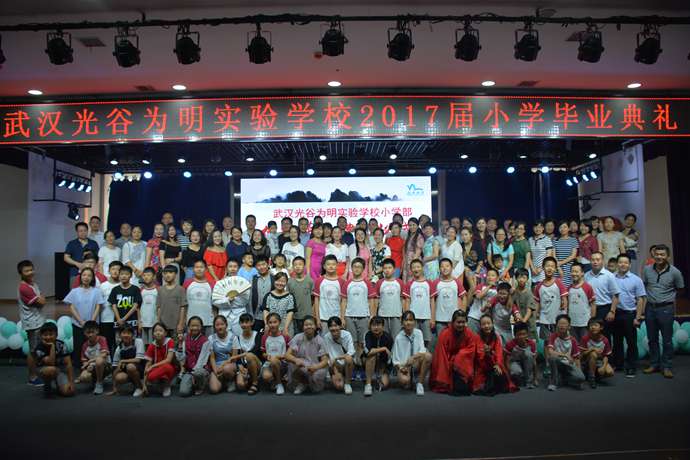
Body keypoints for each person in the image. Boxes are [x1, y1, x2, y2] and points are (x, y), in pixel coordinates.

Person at [642, 244, 685, 378]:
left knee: (667, 340)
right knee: (652, 339)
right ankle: (654, 364)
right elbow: (644, 286)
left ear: (668, 256)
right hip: (650, 308)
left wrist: (668, 299)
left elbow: (680, 289)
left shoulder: (675, 272)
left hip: (666, 308)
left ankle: (667, 366)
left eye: (662, 254)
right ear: (653, 255)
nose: (659, 257)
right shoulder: (647, 269)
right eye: (657, 254)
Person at [612, 253, 646, 377]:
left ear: (630, 265)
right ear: (617, 264)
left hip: (630, 314)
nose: (623, 265)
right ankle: (619, 364)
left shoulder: (636, 279)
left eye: (625, 262)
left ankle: (631, 366)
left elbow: (641, 299)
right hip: (616, 314)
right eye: (620, 262)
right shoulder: (612, 278)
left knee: (631, 342)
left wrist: (638, 317)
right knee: (617, 341)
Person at [429, 310, 478, 396]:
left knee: (461, 358)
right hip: (447, 361)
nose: (461, 325)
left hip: (461, 362)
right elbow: (441, 355)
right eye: (458, 322)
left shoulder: (469, 333)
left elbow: (471, 349)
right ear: (453, 322)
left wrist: (459, 357)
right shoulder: (445, 334)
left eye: (463, 322)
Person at [64, 267, 105, 366]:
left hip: (93, 325)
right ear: (80, 277)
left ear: (92, 278)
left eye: (89, 275)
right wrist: (81, 321)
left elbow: (98, 306)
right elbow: (71, 307)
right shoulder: (74, 291)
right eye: (84, 275)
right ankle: (78, 366)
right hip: (78, 324)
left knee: (92, 346)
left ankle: (92, 365)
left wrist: (91, 322)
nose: (86, 277)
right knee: (78, 346)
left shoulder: (97, 291)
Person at [17, 259, 46, 385]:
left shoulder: (33, 284)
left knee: (37, 349)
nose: (30, 272)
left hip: (38, 320)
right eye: (26, 271)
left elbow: (42, 297)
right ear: (21, 273)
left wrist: (41, 298)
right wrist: (41, 298)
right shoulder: (24, 287)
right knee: (33, 351)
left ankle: (38, 373)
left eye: (31, 269)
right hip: (33, 323)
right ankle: (32, 378)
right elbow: (42, 302)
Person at [343, 257, 375, 367]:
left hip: (364, 316)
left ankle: (361, 365)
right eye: (355, 267)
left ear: (363, 269)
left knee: (362, 342)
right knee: (353, 342)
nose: (357, 269)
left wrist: (372, 316)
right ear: (351, 268)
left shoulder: (367, 283)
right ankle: (354, 364)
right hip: (349, 316)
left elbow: (371, 300)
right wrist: (342, 317)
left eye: (359, 267)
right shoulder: (347, 283)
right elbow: (343, 301)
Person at [285, 315, 329, 395]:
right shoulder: (298, 337)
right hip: (301, 364)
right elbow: (287, 355)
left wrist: (316, 367)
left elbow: (325, 361)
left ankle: (309, 384)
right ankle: (302, 383)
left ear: (315, 326)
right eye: (306, 325)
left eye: (311, 324)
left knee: (316, 377)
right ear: (303, 327)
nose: (309, 326)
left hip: (314, 365)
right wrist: (295, 360)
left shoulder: (320, 340)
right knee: (294, 365)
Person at [584, 252, 620, 348]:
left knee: (605, 336)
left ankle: (607, 356)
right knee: (591, 335)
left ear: (602, 261)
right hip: (590, 309)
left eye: (598, 259)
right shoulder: (586, 275)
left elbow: (616, 295)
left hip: (605, 309)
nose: (595, 262)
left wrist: (612, 311)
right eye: (593, 260)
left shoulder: (609, 275)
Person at [473, 314, 516, 395]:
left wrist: (497, 364)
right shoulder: (477, 338)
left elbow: (499, 354)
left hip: (494, 365)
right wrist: (488, 354)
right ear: (480, 326)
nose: (486, 326)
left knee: (502, 379)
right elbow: (479, 357)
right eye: (484, 324)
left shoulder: (496, 337)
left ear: (492, 324)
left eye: (488, 323)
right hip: (482, 367)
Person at [391, 311, 431, 396]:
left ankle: (420, 383)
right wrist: (401, 368)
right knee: (404, 381)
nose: (408, 323)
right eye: (406, 320)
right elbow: (395, 360)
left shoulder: (418, 333)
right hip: (405, 366)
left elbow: (423, 350)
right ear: (402, 323)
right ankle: (409, 380)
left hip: (416, 363)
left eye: (411, 320)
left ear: (415, 322)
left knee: (428, 356)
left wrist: (413, 357)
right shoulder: (398, 338)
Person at [33, 322, 75, 397]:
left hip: (60, 371)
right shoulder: (39, 347)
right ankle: (47, 385)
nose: (48, 337)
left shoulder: (61, 345)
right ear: (41, 335)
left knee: (69, 392)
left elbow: (68, 363)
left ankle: (59, 385)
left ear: (56, 335)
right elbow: (51, 362)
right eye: (45, 335)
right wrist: (52, 346)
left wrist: (71, 382)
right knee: (51, 370)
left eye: (51, 334)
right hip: (44, 370)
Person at [546, 314, 585, 391]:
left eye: (564, 324)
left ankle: (564, 378)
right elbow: (550, 352)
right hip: (558, 362)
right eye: (560, 323)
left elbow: (577, 358)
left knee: (581, 378)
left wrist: (579, 371)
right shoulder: (553, 336)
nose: (562, 326)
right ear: (556, 325)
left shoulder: (573, 340)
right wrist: (565, 355)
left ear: (569, 326)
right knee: (552, 358)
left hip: (568, 364)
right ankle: (553, 383)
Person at [403, 259, 436, 346]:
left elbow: (432, 301)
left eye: (418, 267)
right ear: (411, 270)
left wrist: (433, 318)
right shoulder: (409, 284)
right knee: (413, 340)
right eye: (413, 267)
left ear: (422, 268)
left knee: (426, 340)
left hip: (426, 317)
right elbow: (407, 301)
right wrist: (406, 318)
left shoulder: (429, 283)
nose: (416, 269)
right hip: (413, 318)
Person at [176, 316, 211, 397]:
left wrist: (194, 374)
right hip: (189, 370)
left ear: (201, 327)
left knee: (198, 373)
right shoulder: (185, 338)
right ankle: (192, 384)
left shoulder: (205, 341)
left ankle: (201, 385)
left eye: (197, 326)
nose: (194, 328)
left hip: (201, 370)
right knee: (183, 392)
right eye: (192, 326)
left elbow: (202, 361)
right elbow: (180, 358)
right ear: (188, 327)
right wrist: (180, 343)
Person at [534, 257, 568, 341]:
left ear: (555, 269)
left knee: (558, 341)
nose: (550, 268)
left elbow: (564, 300)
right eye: (547, 266)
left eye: (552, 266)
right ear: (543, 267)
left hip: (557, 321)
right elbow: (537, 303)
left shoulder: (559, 283)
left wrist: (564, 317)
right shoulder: (538, 286)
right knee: (546, 342)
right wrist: (534, 317)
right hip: (544, 320)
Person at [107, 324, 145, 397]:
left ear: (133, 335)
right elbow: (115, 369)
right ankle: (135, 383)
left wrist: (123, 361)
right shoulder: (119, 348)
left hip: (141, 369)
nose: (126, 335)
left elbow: (138, 360)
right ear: (120, 335)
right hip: (128, 371)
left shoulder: (138, 341)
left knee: (130, 366)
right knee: (119, 377)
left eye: (128, 333)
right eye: (124, 333)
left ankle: (139, 387)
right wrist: (114, 388)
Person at [323, 316, 355, 395]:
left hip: (346, 362)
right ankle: (339, 377)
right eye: (331, 326)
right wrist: (333, 369)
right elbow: (326, 354)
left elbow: (351, 351)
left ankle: (347, 383)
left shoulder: (347, 335)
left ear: (340, 326)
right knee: (339, 386)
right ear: (328, 328)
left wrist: (337, 358)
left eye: (336, 325)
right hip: (335, 365)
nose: (333, 328)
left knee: (349, 358)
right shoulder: (326, 337)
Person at [142, 322, 177, 397]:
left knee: (166, 366)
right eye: (155, 331)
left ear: (165, 333)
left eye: (160, 331)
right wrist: (144, 385)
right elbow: (147, 365)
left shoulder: (170, 341)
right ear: (153, 334)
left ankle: (167, 385)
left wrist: (152, 366)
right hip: (158, 369)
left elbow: (168, 360)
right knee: (150, 376)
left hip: (169, 368)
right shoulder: (151, 346)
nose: (158, 333)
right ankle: (160, 383)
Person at [313, 255, 346, 332]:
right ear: (324, 266)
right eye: (328, 264)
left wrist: (342, 317)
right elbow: (316, 301)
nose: (331, 266)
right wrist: (317, 318)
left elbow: (343, 302)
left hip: (337, 318)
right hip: (323, 318)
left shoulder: (342, 282)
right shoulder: (319, 281)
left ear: (337, 266)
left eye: (333, 264)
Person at [231, 313, 262, 395]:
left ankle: (255, 383)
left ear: (252, 322)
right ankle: (249, 379)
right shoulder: (237, 337)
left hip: (257, 364)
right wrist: (239, 365)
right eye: (242, 322)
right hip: (244, 366)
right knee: (240, 385)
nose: (244, 324)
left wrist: (240, 355)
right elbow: (235, 356)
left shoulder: (258, 335)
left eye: (246, 322)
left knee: (249, 356)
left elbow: (255, 351)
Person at [77, 320, 111, 395]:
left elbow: (104, 355)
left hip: (106, 366)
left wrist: (90, 362)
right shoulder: (84, 345)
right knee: (84, 377)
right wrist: (88, 366)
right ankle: (95, 380)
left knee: (99, 360)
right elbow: (84, 361)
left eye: (92, 332)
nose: (90, 335)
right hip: (92, 367)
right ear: (84, 333)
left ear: (97, 331)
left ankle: (99, 383)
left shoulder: (102, 339)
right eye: (88, 333)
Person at [182, 260, 215, 336]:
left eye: (201, 267)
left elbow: (214, 305)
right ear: (193, 269)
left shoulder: (212, 283)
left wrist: (215, 319)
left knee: (208, 342)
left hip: (208, 321)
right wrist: (183, 320)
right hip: (190, 322)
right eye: (196, 267)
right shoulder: (187, 283)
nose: (199, 269)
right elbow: (184, 304)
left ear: (206, 269)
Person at [260, 312, 291, 395]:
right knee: (266, 376)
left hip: (283, 363)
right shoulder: (264, 337)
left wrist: (279, 357)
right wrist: (266, 356)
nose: (272, 325)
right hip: (269, 363)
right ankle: (275, 381)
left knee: (274, 361)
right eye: (270, 322)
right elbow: (263, 353)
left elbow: (289, 353)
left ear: (279, 322)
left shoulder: (285, 336)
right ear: (267, 324)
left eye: (275, 322)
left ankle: (279, 383)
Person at [374, 258, 405, 338]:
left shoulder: (400, 282)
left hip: (396, 315)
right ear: (382, 270)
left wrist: (403, 314)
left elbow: (403, 300)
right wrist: (374, 315)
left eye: (389, 268)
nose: (387, 270)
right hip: (382, 316)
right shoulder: (379, 283)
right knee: (384, 339)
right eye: (385, 268)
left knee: (396, 338)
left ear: (394, 269)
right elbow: (376, 300)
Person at [109, 265, 143, 338]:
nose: (124, 276)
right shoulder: (115, 290)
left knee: (133, 342)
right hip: (118, 323)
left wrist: (124, 319)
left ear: (131, 276)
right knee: (118, 342)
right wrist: (119, 319)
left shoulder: (135, 289)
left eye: (126, 274)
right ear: (119, 275)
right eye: (122, 274)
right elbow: (113, 306)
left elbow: (135, 306)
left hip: (132, 322)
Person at [362, 316, 393, 396]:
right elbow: (368, 352)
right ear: (370, 326)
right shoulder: (367, 335)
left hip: (382, 364)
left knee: (384, 384)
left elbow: (389, 358)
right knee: (372, 356)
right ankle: (368, 384)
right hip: (368, 360)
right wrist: (383, 348)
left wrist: (382, 372)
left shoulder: (388, 337)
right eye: (373, 325)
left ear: (383, 326)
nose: (376, 327)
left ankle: (379, 376)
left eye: (378, 325)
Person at [579, 318, 614, 389]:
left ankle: (594, 375)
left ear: (601, 327)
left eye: (595, 325)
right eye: (591, 325)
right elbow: (581, 354)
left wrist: (604, 366)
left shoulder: (605, 340)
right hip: (587, 361)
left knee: (610, 372)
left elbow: (606, 356)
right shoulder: (585, 338)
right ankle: (592, 378)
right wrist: (592, 349)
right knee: (593, 354)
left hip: (599, 361)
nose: (593, 327)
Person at [64, 222, 100, 287]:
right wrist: (77, 264)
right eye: (80, 231)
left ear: (87, 231)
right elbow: (66, 257)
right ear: (77, 232)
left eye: (85, 230)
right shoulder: (72, 243)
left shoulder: (93, 243)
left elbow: (97, 258)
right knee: (75, 291)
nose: (83, 232)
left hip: (91, 274)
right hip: (75, 273)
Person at [208, 315, 237, 394]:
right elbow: (212, 358)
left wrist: (222, 367)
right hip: (217, 365)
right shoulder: (211, 338)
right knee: (214, 389)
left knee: (226, 369)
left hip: (230, 364)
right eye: (217, 325)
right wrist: (215, 370)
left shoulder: (233, 337)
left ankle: (231, 380)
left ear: (226, 325)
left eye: (222, 324)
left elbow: (234, 358)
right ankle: (222, 382)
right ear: (214, 327)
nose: (220, 327)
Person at [157, 264, 187, 339]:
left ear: (176, 274)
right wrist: (158, 323)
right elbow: (159, 307)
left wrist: (181, 323)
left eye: (170, 272)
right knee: (163, 344)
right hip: (163, 326)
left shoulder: (181, 289)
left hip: (176, 325)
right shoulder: (160, 290)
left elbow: (183, 308)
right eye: (165, 273)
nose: (167, 275)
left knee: (175, 345)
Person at [568, 263, 596, 342]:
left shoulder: (587, 287)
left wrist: (592, 321)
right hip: (572, 323)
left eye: (576, 271)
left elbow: (593, 305)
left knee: (585, 344)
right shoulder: (569, 288)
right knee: (574, 345)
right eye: (572, 271)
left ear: (582, 273)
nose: (574, 274)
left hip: (585, 323)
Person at [505, 322, 537, 389]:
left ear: (527, 334)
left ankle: (528, 381)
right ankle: (519, 378)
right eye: (519, 334)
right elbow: (507, 362)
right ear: (515, 335)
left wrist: (535, 379)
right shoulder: (510, 344)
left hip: (527, 363)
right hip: (515, 362)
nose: (522, 336)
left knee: (529, 354)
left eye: (524, 334)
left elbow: (534, 362)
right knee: (516, 372)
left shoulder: (532, 344)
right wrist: (508, 379)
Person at [287, 256, 314, 334]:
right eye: (295, 265)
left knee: (308, 335)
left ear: (304, 266)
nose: (297, 266)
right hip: (294, 316)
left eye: (300, 264)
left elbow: (313, 298)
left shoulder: (309, 280)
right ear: (293, 267)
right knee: (296, 337)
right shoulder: (289, 282)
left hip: (307, 315)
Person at [468, 268, 498, 334]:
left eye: (493, 275)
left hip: (487, 321)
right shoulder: (480, 286)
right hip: (474, 317)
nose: (490, 277)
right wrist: (489, 286)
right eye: (488, 275)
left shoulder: (498, 290)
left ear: (497, 278)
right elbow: (478, 296)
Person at [249, 256, 273, 332]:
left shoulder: (273, 278)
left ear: (268, 264)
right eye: (258, 265)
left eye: (263, 264)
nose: (261, 267)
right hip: (256, 316)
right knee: (256, 336)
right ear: (255, 267)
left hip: (271, 316)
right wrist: (251, 315)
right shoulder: (253, 279)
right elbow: (250, 298)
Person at [513, 268, 537, 339]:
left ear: (527, 279)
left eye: (524, 278)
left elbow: (529, 310)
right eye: (519, 277)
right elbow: (512, 305)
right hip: (519, 323)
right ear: (516, 278)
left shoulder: (529, 293)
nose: (521, 280)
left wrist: (523, 322)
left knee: (531, 342)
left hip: (529, 324)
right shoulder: (514, 292)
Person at [554, 221, 579, 288]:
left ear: (569, 228)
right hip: (557, 269)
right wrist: (558, 268)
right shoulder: (555, 240)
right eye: (560, 227)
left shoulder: (573, 240)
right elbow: (554, 255)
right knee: (557, 287)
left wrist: (560, 263)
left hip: (569, 269)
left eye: (565, 227)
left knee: (568, 288)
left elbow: (573, 256)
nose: (562, 229)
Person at [528, 220, 554, 285]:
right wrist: (532, 268)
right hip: (532, 270)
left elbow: (548, 256)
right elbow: (529, 256)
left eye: (540, 227)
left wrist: (541, 268)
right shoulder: (530, 239)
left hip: (543, 270)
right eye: (536, 227)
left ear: (543, 228)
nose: (537, 229)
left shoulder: (547, 239)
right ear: (533, 228)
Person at [139, 267, 159, 344]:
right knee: (143, 344)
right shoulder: (141, 290)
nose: (146, 277)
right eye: (144, 275)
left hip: (154, 322)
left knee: (153, 344)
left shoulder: (158, 290)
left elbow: (159, 307)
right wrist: (139, 322)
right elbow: (138, 307)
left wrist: (158, 320)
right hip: (143, 322)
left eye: (148, 275)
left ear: (154, 277)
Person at [403, 218, 424, 283]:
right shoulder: (409, 236)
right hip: (407, 261)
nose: (412, 227)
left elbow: (418, 253)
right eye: (410, 225)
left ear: (417, 226)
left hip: (414, 261)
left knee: (414, 280)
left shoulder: (419, 236)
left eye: (413, 225)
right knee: (407, 281)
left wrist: (412, 265)